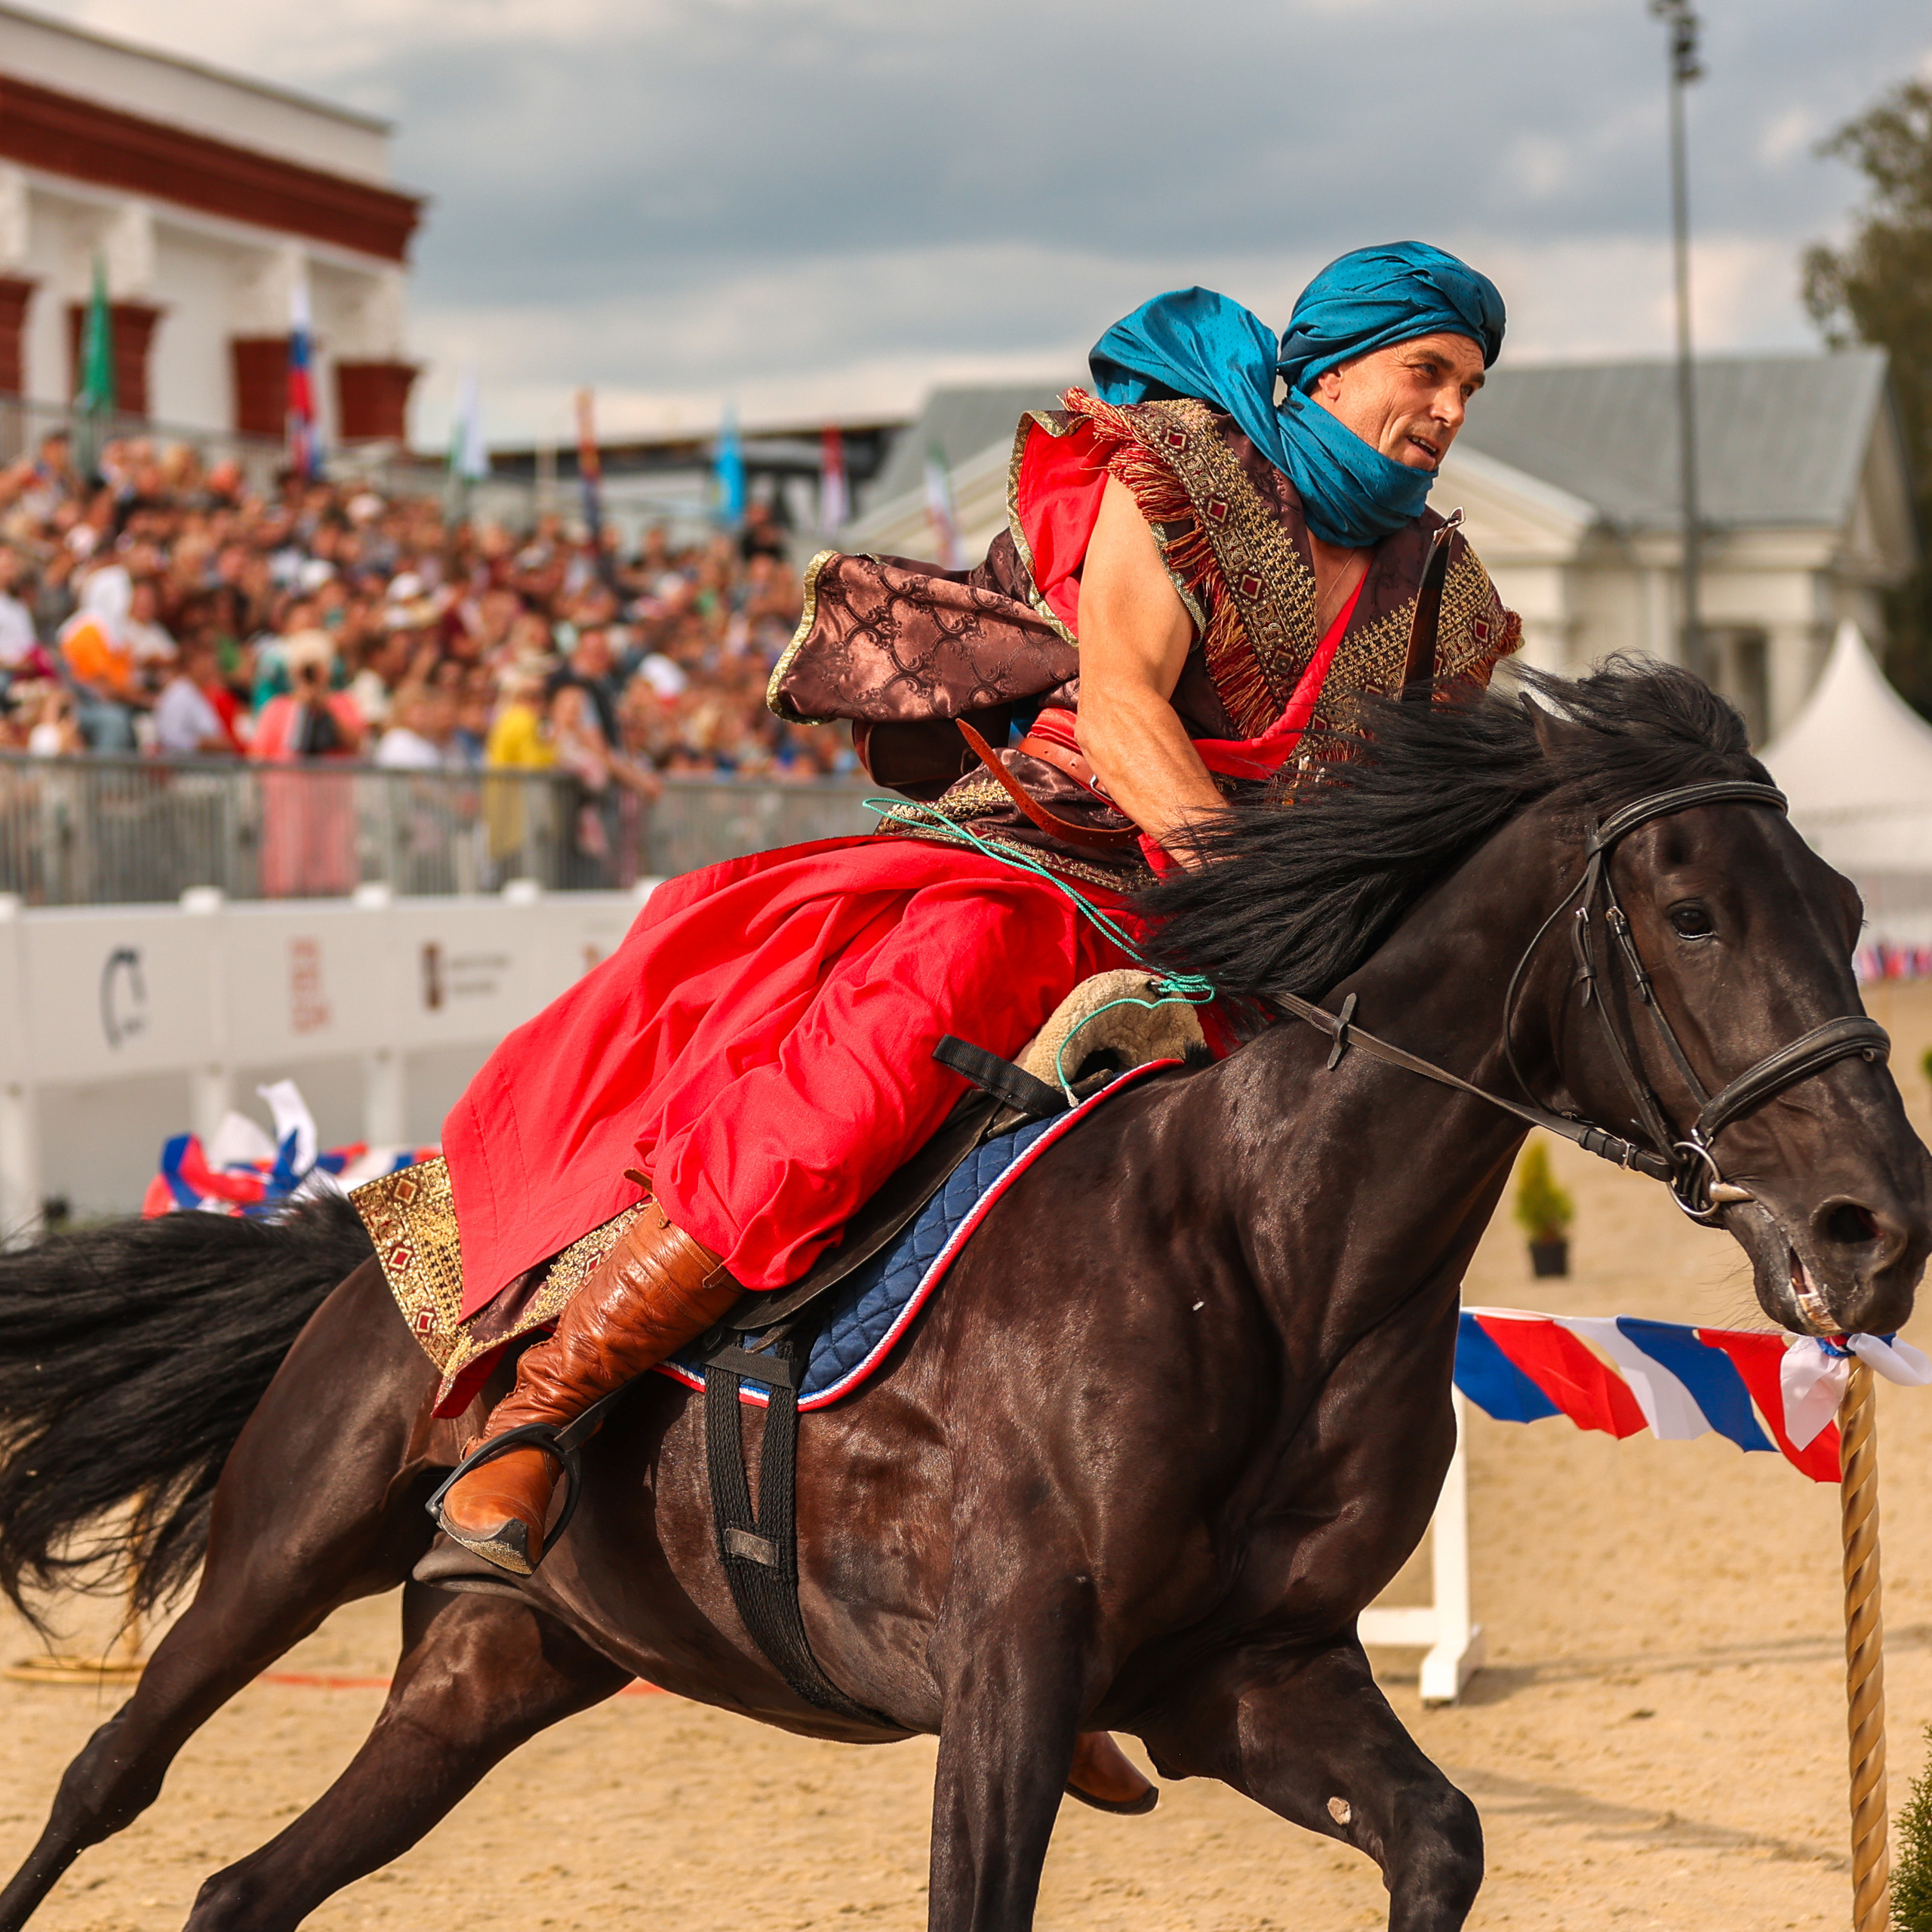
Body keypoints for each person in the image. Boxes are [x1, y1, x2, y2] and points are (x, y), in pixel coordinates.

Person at [423, 243, 1522, 1808]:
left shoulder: (1440, 590)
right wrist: (1257, 904)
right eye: (1425, 371)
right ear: (1332, 363)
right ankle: (539, 1416)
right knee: (874, 1068)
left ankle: (1073, 1603)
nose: (1444, 412)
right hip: (1053, 860)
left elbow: (1436, 800)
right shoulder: (1182, 473)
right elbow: (1131, 708)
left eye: (1468, 390)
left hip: (1254, 937)